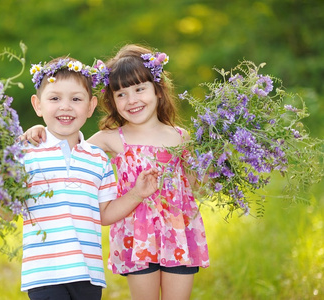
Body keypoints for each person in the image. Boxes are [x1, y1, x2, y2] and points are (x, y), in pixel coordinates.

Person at [22, 44, 210, 300]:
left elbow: (197, 186)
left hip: (178, 232)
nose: (131, 100)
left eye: (139, 89)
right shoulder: (112, 138)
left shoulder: (180, 137)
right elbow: (68, 142)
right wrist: (37, 130)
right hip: (138, 233)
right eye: (121, 94)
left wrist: (216, 164)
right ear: (111, 100)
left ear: (158, 91)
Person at [16, 56, 160, 300]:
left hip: (89, 274)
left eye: (76, 99)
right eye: (54, 98)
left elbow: (104, 214)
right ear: (37, 105)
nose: (65, 106)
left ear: (91, 106)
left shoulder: (97, 159)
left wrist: (137, 194)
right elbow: (7, 209)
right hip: (44, 274)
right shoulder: (26, 154)